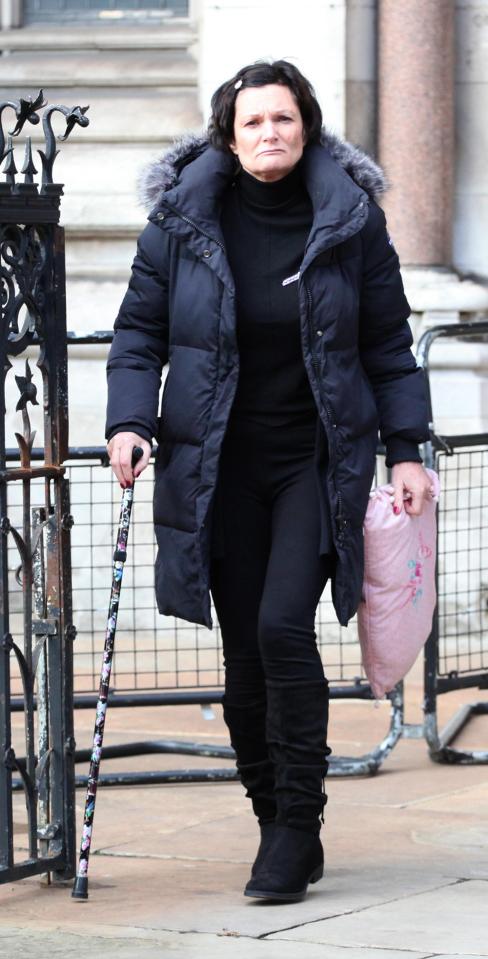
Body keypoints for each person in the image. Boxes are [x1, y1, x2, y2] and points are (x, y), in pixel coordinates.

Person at [105, 59, 432, 903]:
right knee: (243, 652)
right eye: (253, 122)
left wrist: (406, 448)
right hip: (219, 466)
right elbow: (139, 333)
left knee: (285, 627)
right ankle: (271, 817)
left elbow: (391, 345)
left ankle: (298, 825)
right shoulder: (180, 222)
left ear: (308, 126)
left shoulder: (350, 222)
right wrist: (130, 421)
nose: (269, 134)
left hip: (315, 463)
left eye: (283, 119)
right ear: (228, 134)